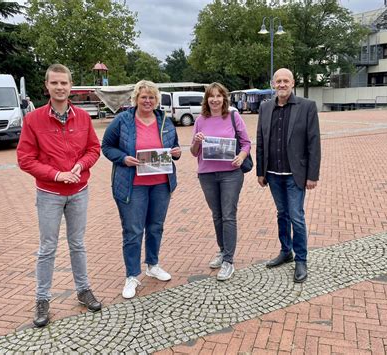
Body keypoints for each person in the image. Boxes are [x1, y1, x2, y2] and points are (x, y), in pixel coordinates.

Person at [17, 64, 102, 327]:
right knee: (47, 248)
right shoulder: (34, 119)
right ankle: (42, 299)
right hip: (49, 194)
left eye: (64, 83)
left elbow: (93, 149)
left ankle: (83, 290)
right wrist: (56, 175)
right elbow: (25, 159)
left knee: (77, 244)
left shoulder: (84, 118)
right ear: (47, 86)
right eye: (55, 83)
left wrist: (81, 165)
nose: (60, 87)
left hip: (79, 191)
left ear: (70, 85)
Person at [101, 80, 181, 299]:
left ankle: (153, 264)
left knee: (156, 226)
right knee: (133, 230)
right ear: (136, 99)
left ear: (157, 100)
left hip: (160, 184)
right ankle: (131, 275)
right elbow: (106, 147)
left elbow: (176, 148)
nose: (148, 101)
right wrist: (123, 158)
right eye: (144, 97)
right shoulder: (122, 120)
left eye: (152, 97)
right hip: (131, 185)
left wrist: (176, 153)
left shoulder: (164, 120)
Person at [256, 68, 321, 283]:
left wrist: (312, 175)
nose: (282, 84)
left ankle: (301, 259)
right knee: (281, 214)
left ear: (293, 83)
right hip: (273, 174)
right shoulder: (265, 108)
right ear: (273, 84)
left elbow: (314, 142)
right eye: (278, 81)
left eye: (286, 81)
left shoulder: (307, 107)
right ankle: (286, 251)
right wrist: (260, 172)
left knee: (296, 216)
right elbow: (261, 140)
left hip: (296, 175)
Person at [190, 82, 251, 281]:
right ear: (206, 99)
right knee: (217, 215)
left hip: (231, 174)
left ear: (224, 98)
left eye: (219, 96)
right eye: (211, 96)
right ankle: (222, 250)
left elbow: (246, 143)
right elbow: (193, 152)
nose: (215, 99)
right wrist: (197, 141)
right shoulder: (200, 120)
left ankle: (228, 261)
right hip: (207, 174)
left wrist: (241, 157)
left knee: (228, 215)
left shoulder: (233, 116)